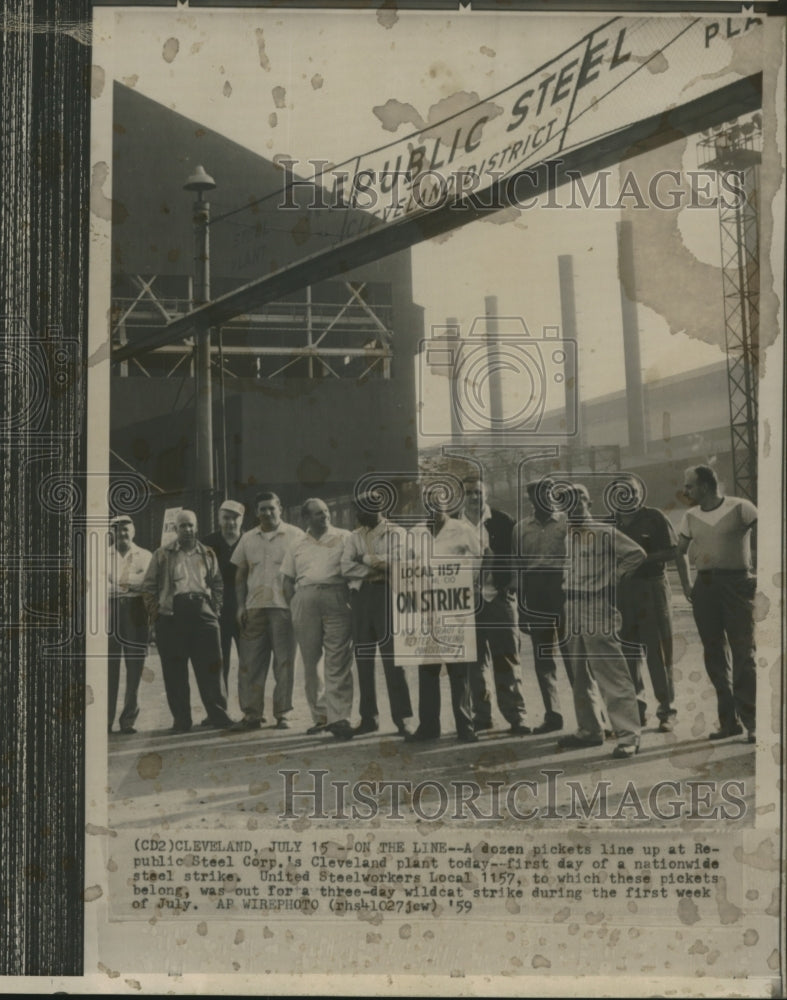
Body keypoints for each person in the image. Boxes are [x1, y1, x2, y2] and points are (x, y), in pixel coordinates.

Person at [557, 484, 646, 759]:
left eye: (578, 499)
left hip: (596, 604)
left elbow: (636, 554)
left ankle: (629, 736)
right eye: (567, 501)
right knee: (579, 673)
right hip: (571, 604)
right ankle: (590, 729)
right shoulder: (568, 535)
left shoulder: (604, 532)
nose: (573, 505)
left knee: (610, 671)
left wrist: (613, 578)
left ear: (589, 502)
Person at [676, 465, 757, 743]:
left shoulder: (741, 507)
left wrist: (761, 572)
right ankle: (728, 722)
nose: (685, 492)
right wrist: (687, 585)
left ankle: (754, 721)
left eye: (689, 486)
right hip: (705, 588)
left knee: (744, 652)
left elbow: (772, 533)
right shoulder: (689, 516)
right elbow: (680, 552)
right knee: (714, 654)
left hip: (737, 584)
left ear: (706, 486)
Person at [141, 509, 233, 733]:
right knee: (174, 671)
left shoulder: (207, 553)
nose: (188, 530)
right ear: (175, 528)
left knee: (212, 667)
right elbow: (148, 587)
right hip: (172, 615)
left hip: (203, 612)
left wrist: (216, 608)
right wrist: (156, 615)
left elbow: (218, 583)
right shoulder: (162, 554)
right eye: (183, 526)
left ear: (196, 527)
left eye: (191, 525)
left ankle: (218, 715)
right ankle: (182, 720)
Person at [406, 489, 480, 743]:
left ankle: (465, 725)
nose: (435, 508)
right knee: (428, 669)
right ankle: (428, 726)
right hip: (425, 608)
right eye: (429, 503)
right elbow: (405, 565)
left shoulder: (462, 529)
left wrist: (466, 585)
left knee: (459, 670)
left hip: (454, 605)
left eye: (439, 503)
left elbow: (479, 558)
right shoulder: (415, 533)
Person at [340, 493, 414, 736]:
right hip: (361, 598)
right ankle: (368, 718)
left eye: (362, 509)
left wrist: (365, 559)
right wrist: (375, 568)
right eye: (357, 509)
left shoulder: (397, 532)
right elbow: (345, 566)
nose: (358, 514)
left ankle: (402, 718)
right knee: (363, 659)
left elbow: (398, 561)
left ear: (378, 508)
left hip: (387, 596)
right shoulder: (354, 536)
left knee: (393, 659)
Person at [281, 498, 354, 740]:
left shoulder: (345, 537)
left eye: (326, 512)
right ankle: (320, 716)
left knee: (338, 658)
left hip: (336, 594)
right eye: (318, 514)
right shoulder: (296, 543)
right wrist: (294, 604)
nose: (325, 517)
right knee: (311, 661)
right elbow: (287, 579)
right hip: (306, 598)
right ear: (306, 518)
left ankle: (339, 717)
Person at [462, 476, 530, 735]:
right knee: (474, 662)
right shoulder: (454, 525)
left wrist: (511, 586)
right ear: (462, 496)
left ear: (486, 494)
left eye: (478, 492)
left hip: (498, 599)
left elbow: (516, 557)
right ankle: (482, 715)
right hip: (467, 603)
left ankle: (516, 715)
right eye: (469, 493)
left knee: (507, 658)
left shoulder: (502, 521)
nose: (474, 497)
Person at [232, 492, 305, 731]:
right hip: (254, 609)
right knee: (250, 663)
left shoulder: (296, 535)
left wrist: (296, 604)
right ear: (256, 512)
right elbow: (241, 575)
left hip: (283, 608)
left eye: (271, 508)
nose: (267, 513)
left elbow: (303, 571)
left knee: (284, 662)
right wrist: (241, 606)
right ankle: (252, 715)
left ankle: (283, 713)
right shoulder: (247, 538)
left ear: (280, 509)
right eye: (262, 509)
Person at [614, 475, 679, 732]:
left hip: (651, 587)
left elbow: (672, 551)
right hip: (623, 592)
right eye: (621, 491)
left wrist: (639, 559)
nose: (627, 495)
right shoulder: (611, 522)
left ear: (640, 493)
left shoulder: (654, 517)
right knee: (628, 653)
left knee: (658, 652)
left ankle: (667, 710)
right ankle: (637, 709)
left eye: (632, 490)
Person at [513, 477, 573, 735]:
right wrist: (522, 606)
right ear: (531, 499)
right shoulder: (521, 528)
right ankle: (553, 713)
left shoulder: (567, 523)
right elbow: (518, 569)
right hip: (535, 593)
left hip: (562, 591)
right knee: (543, 657)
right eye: (539, 494)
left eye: (549, 492)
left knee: (574, 655)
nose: (545, 498)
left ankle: (591, 713)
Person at [107, 515, 151, 735]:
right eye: (117, 530)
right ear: (111, 533)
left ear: (133, 531)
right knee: (109, 667)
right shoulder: (102, 555)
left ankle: (128, 721)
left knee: (135, 667)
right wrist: (130, 584)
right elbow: (100, 585)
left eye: (125, 530)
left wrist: (116, 582)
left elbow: (146, 584)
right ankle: (105, 720)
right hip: (110, 611)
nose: (122, 534)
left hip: (136, 612)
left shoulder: (145, 555)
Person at [202, 499, 245, 703]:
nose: (230, 522)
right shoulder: (207, 543)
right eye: (226, 518)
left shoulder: (249, 540)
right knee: (218, 662)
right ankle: (219, 709)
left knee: (249, 662)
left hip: (245, 608)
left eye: (235, 518)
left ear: (242, 519)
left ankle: (250, 709)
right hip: (216, 610)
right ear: (219, 519)